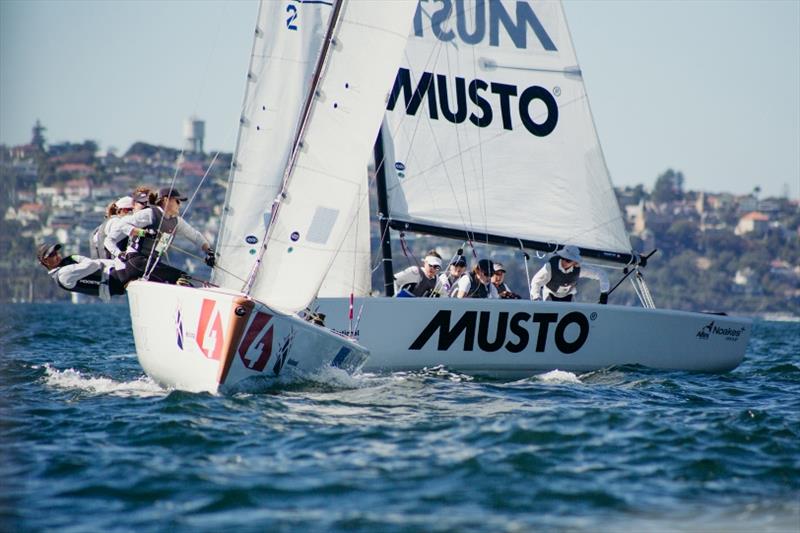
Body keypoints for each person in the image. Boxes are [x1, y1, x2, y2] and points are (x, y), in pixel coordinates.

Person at [116, 187, 214, 285]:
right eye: (177, 201)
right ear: (166, 200)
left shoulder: (176, 221)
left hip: (153, 264)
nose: (179, 205)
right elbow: (122, 225)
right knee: (181, 277)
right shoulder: (150, 213)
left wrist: (209, 252)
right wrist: (143, 233)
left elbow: (195, 236)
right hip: (136, 262)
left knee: (182, 278)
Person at [37, 242, 126, 302]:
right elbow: (93, 265)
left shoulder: (65, 265)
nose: (57, 255)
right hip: (112, 280)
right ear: (45, 261)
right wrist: (77, 258)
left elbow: (94, 264)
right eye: (52, 255)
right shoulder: (63, 274)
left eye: (56, 252)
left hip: (112, 277)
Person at [530, 245, 609, 303]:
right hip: (550, 295)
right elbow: (536, 282)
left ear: (575, 262)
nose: (564, 261)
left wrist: (604, 294)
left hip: (569, 296)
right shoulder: (549, 267)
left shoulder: (579, 269)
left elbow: (601, 274)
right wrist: (536, 297)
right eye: (563, 258)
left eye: (568, 260)